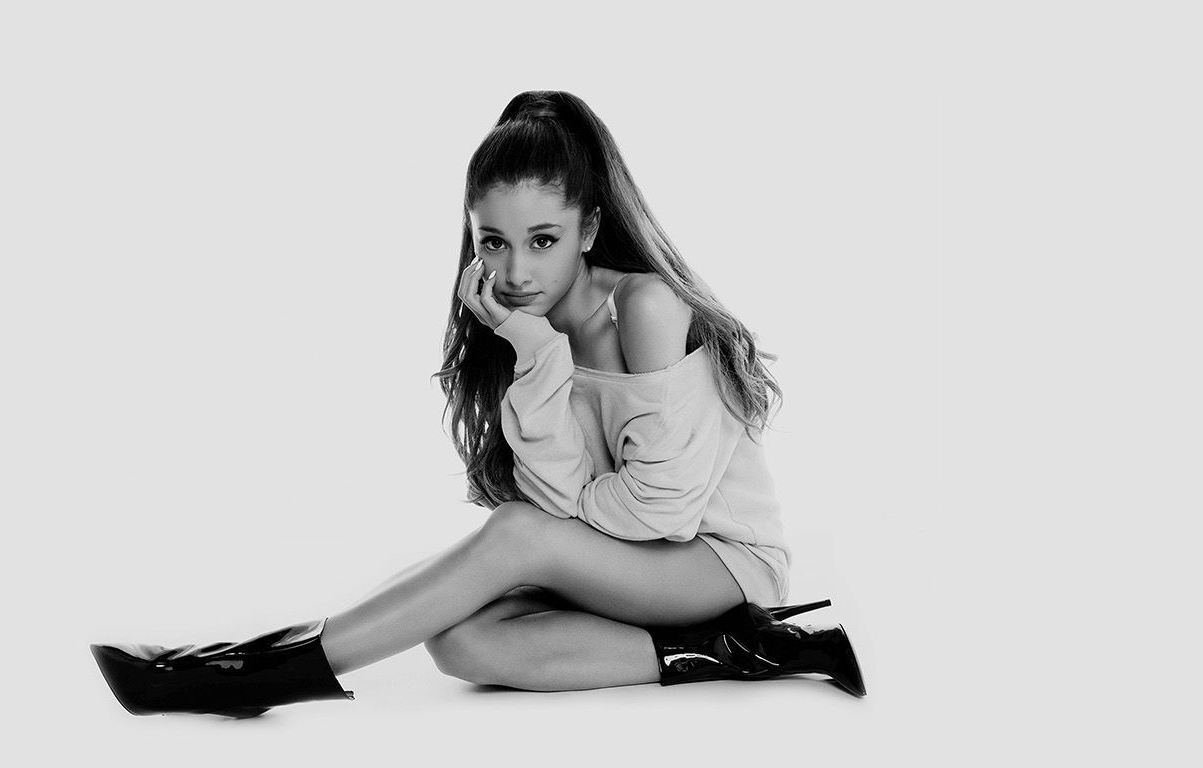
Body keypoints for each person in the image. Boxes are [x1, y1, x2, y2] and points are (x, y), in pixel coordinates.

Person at [90, 90, 865, 718]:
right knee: (460, 640)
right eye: (493, 242)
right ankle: (758, 650)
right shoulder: (531, 329)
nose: (516, 271)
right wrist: (536, 352)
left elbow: (662, 511)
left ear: (589, 228)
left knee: (513, 535)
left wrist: (556, 521)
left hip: (717, 562)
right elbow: (560, 500)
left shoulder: (646, 307)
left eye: (542, 240)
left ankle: (253, 674)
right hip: (636, 560)